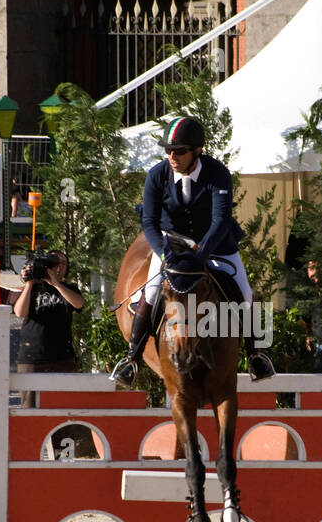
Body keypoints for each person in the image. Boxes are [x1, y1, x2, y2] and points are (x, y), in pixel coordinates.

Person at [112, 116, 275, 386]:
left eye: (179, 151)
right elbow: (149, 222)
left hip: (215, 243)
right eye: (168, 150)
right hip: (171, 243)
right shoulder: (157, 175)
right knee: (151, 291)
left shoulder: (217, 172)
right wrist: (164, 254)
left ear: (197, 151)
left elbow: (220, 219)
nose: (172, 156)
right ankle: (131, 359)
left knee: (245, 292)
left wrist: (202, 251)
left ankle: (256, 354)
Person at [14, 249, 84, 408]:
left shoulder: (69, 288)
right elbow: (20, 312)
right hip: (32, 358)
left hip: (62, 358)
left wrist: (56, 284)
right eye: (54, 264)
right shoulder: (33, 289)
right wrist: (29, 284)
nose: (59, 268)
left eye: (63, 264)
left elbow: (78, 303)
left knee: (63, 408)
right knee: (29, 409)